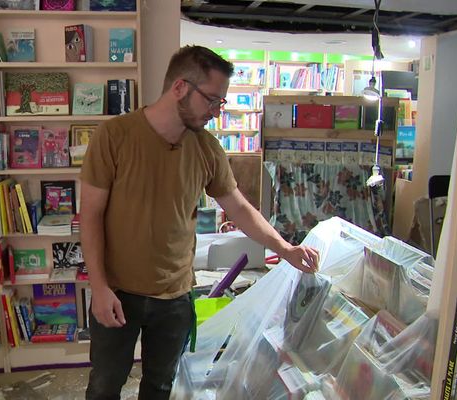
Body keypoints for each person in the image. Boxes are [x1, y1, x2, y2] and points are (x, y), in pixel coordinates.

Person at [80, 45, 320, 400]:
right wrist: (98, 287)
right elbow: (90, 215)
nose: (216, 112)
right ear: (179, 88)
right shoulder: (114, 136)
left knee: (160, 388)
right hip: (117, 293)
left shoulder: (207, 148)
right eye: (211, 101)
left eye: (220, 103)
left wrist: (285, 249)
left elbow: (239, 209)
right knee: (104, 388)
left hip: (175, 298)